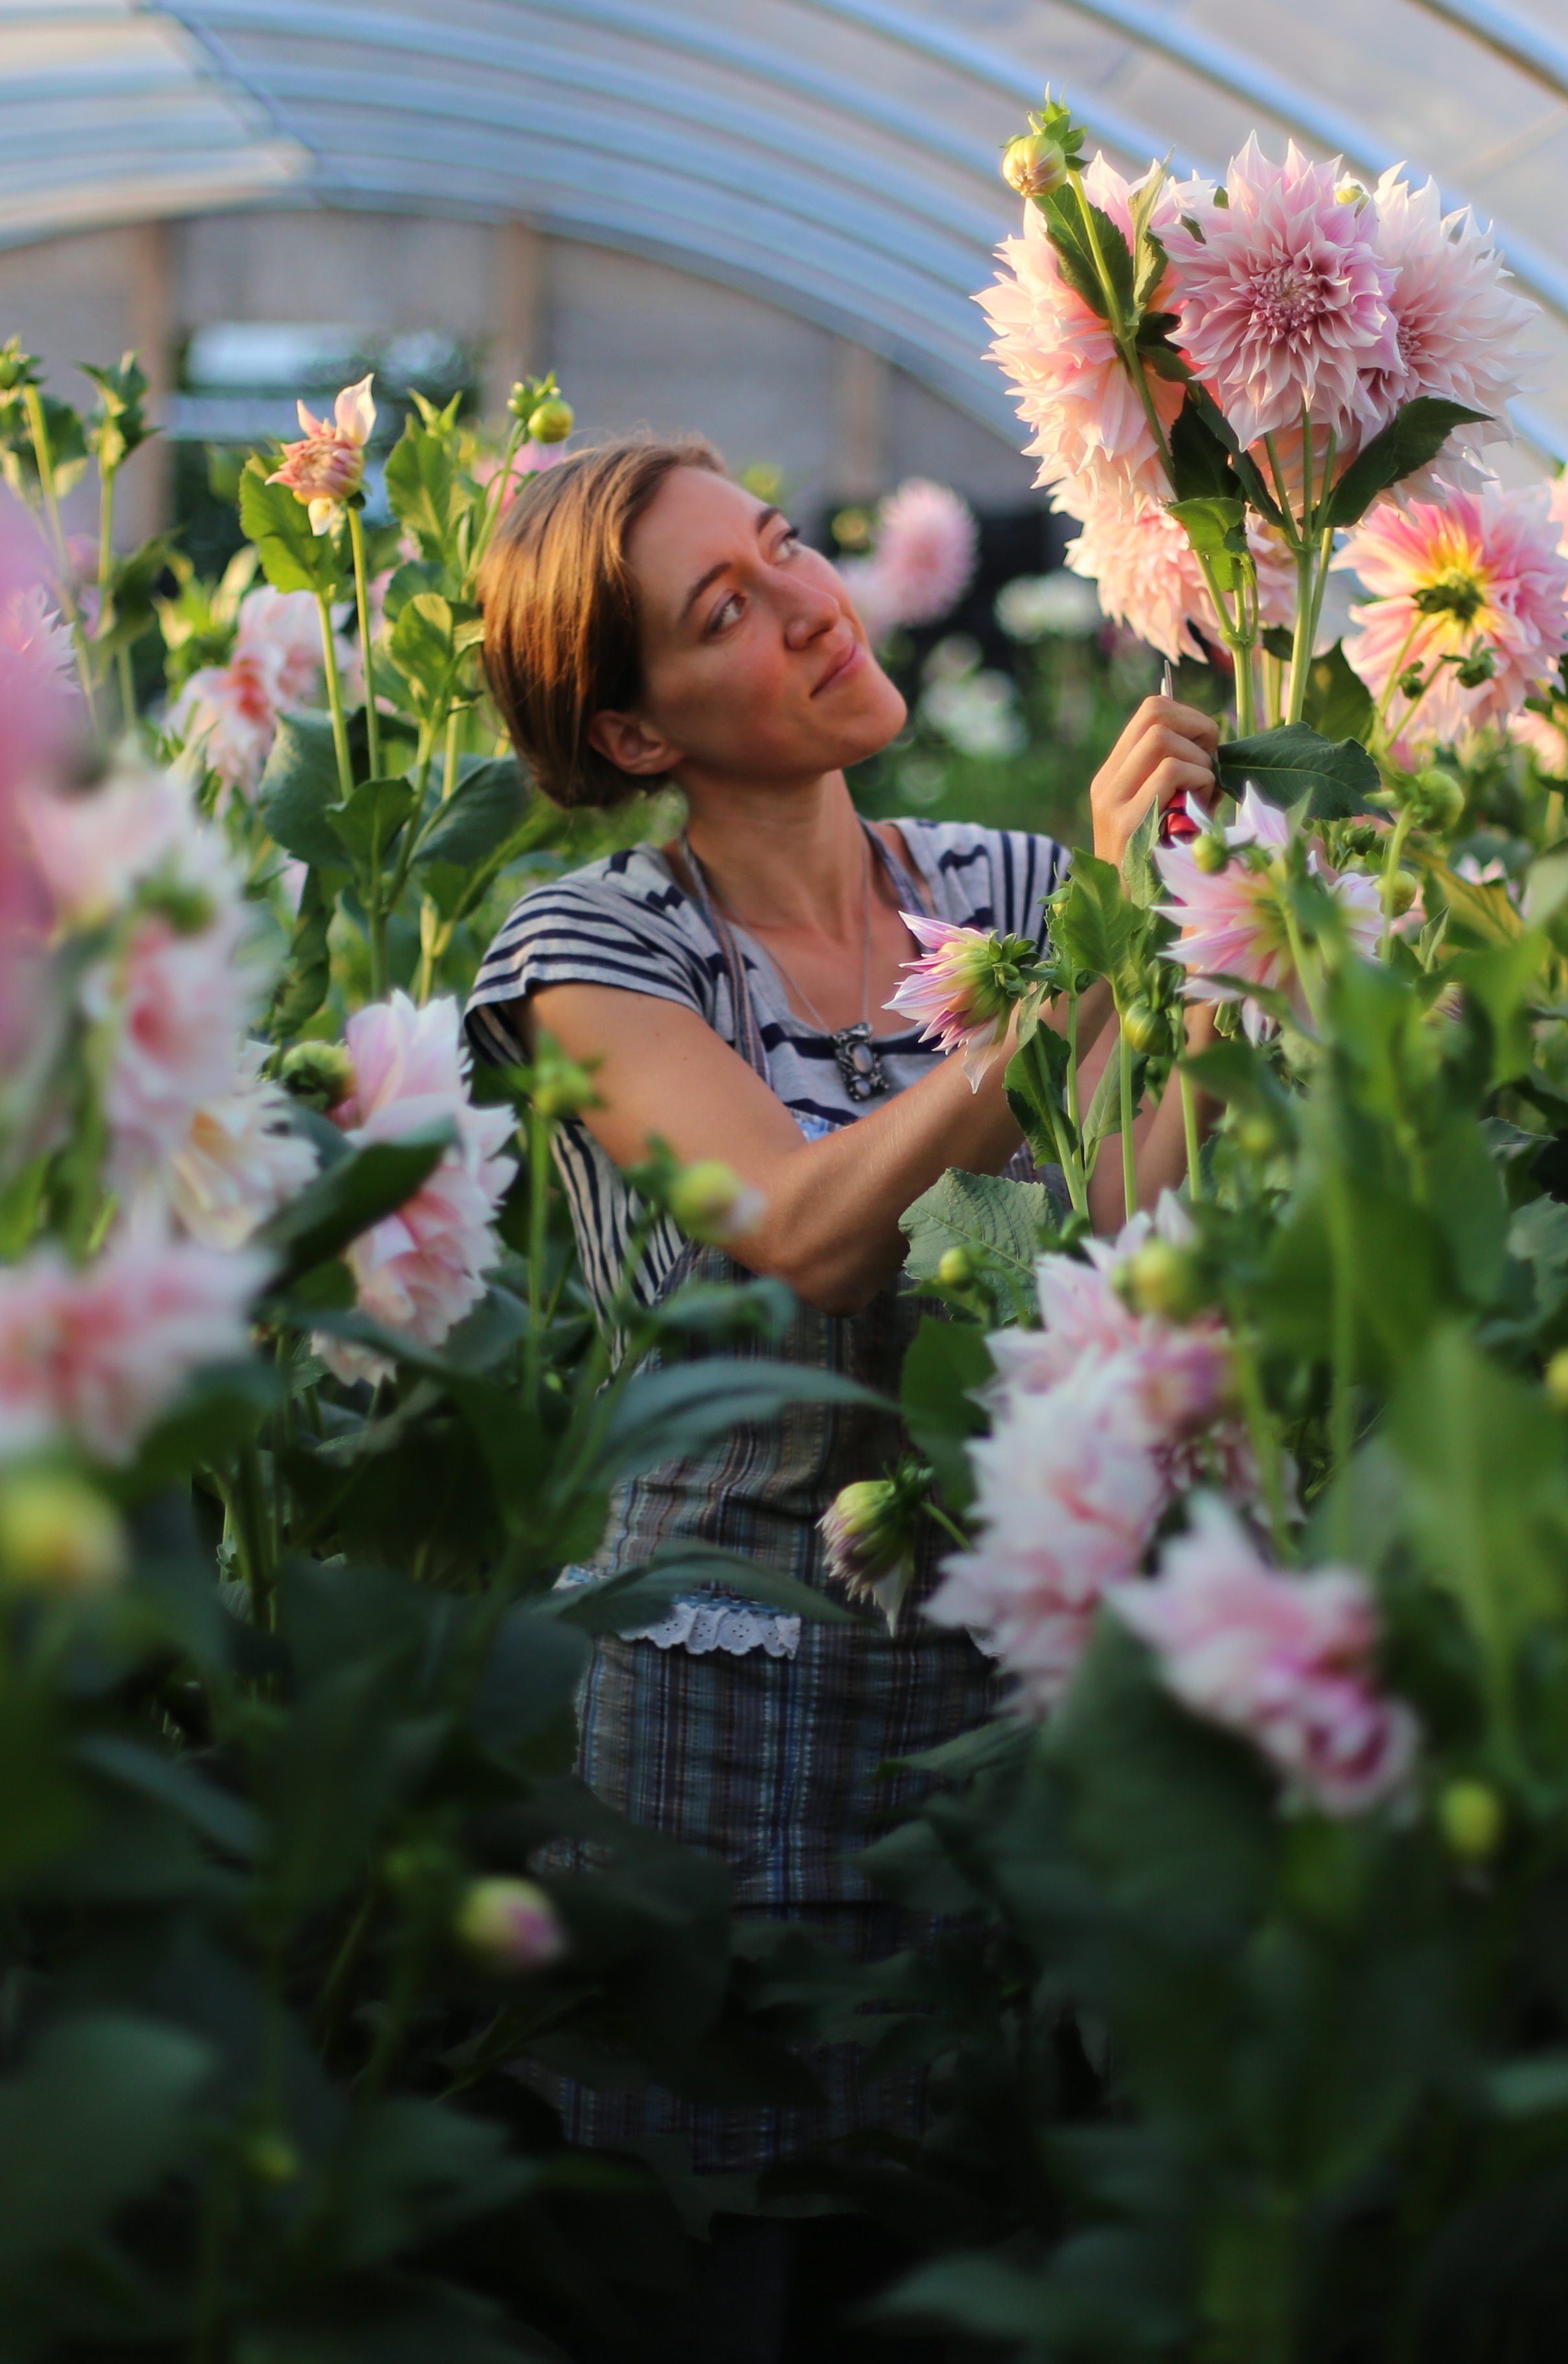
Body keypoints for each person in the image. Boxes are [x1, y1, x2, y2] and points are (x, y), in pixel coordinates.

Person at [465, 436, 1216, 2356]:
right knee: (722, 2260)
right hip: (722, 1715)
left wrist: (1200, 957)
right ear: (637, 738)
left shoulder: (1003, 884)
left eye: (782, 545)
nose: (807, 599)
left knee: (967, 2247)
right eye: (726, 610)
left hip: (1002, 1694)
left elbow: (1141, 1229)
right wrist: (1075, 977)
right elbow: (799, 1233)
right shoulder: (595, 950)